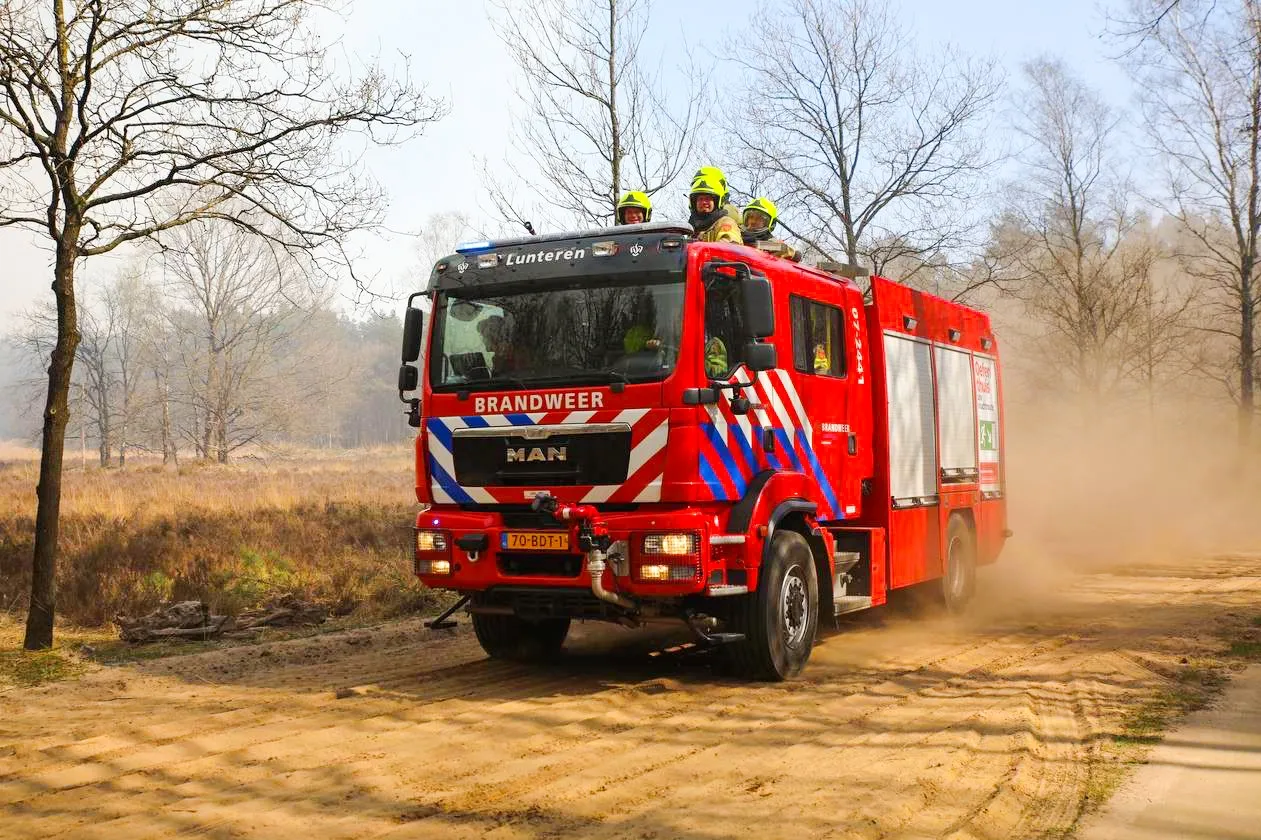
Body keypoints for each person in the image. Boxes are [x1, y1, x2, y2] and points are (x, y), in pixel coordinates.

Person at [741, 196, 800, 261]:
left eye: (758, 218)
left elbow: (795, 255)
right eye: (751, 217)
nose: (753, 221)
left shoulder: (771, 243)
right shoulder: (736, 234)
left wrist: (764, 245)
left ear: (771, 224)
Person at [688, 174, 743, 244]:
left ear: (716, 202)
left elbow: (729, 244)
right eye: (700, 199)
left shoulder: (725, 222)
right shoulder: (692, 229)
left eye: (707, 199)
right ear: (694, 203)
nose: (704, 202)